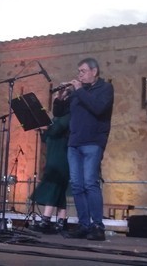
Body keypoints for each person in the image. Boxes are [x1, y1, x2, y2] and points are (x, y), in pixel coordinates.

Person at [56, 57, 114, 241]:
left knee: (90, 183)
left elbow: (98, 108)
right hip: (74, 143)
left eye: (82, 71)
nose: (79, 74)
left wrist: (79, 90)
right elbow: (58, 113)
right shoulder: (76, 94)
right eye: (78, 71)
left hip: (93, 142)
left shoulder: (105, 89)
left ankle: (97, 226)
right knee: (77, 185)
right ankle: (84, 225)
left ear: (94, 71)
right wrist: (59, 98)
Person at [28, 97, 71, 234]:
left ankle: (46, 219)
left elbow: (56, 130)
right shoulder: (56, 118)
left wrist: (46, 126)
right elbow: (46, 137)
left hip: (62, 157)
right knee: (59, 189)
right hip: (53, 156)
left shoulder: (68, 116)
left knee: (53, 185)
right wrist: (41, 129)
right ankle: (61, 221)